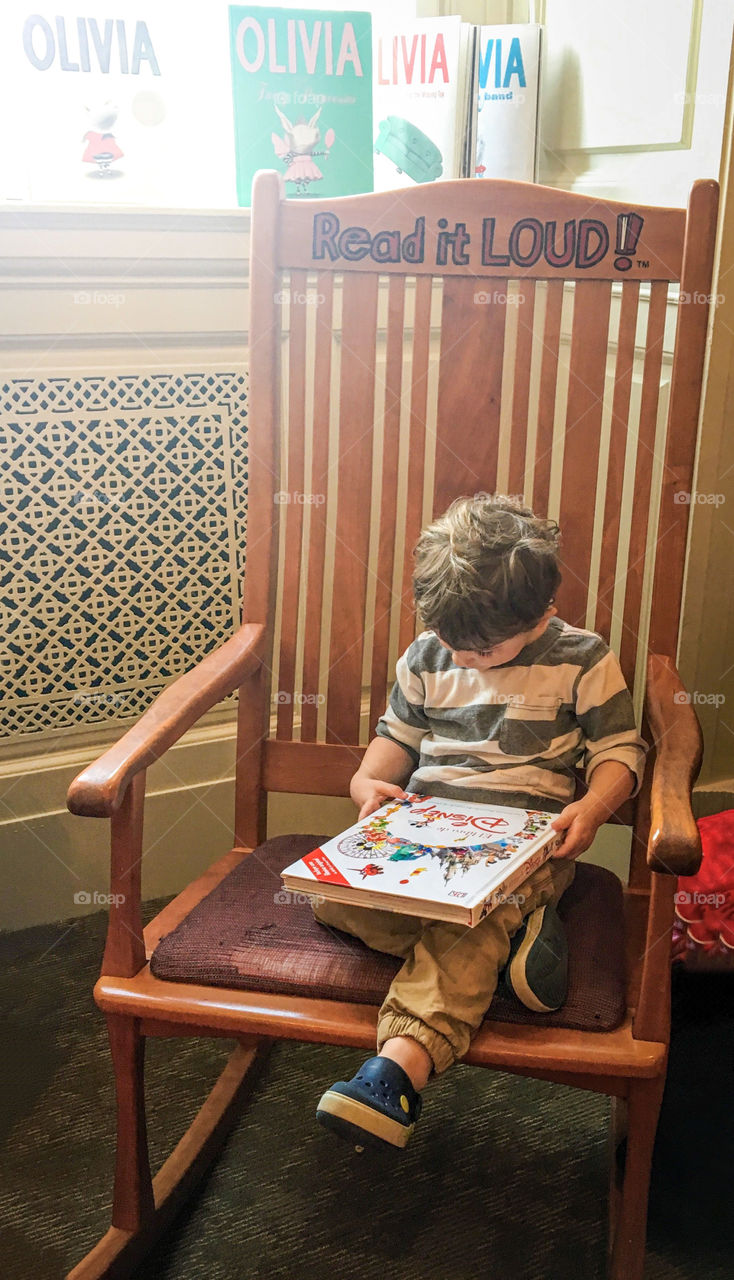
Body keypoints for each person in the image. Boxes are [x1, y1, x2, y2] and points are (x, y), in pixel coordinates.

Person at [313, 493, 647, 1151]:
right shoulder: (428, 657)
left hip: (529, 849)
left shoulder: (581, 659)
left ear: (544, 612)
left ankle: (397, 1071)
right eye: (452, 643)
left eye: (486, 650)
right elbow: (395, 738)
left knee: (475, 917)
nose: (466, 660)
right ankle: (514, 940)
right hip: (426, 842)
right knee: (332, 901)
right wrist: (366, 779)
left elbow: (620, 753)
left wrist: (592, 807)